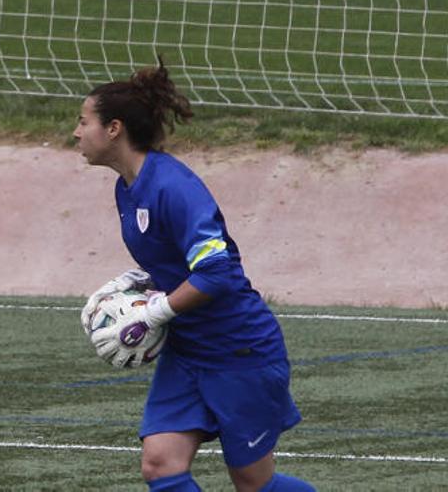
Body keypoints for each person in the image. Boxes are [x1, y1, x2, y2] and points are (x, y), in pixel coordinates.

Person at [76, 61, 316, 492]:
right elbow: (176, 261)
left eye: (83, 121)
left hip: (240, 349)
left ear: (114, 129)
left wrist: (154, 313)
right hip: (188, 349)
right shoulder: (126, 188)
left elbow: (217, 273)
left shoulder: (174, 187)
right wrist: (144, 283)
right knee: (160, 464)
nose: (75, 132)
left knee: (253, 483)